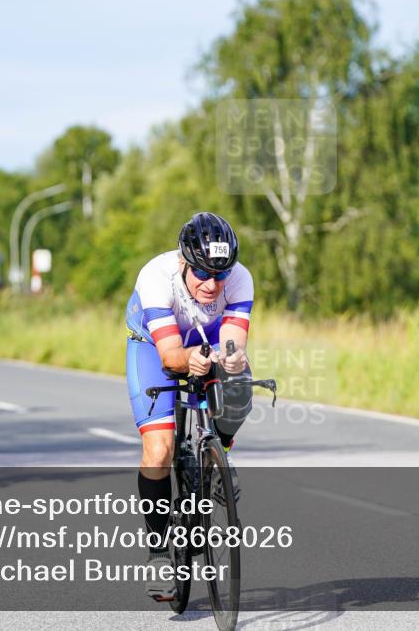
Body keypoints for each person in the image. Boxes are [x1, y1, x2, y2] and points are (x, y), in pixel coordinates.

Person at [125, 212, 254, 600]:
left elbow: (232, 339)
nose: (213, 284)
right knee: (159, 449)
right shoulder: (155, 277)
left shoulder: (240, 277)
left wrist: (230, 359)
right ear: (183, 262)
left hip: (208, 336)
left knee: (239, 392)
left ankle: (218, 457)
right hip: (152, 345)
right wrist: (188, 361)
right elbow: (169, 356)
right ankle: (161, 546)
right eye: (202, 274)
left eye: (221, 274)